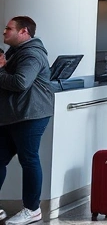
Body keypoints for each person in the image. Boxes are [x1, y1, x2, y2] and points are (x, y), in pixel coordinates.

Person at [0, 17, 53, 225]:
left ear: (24, 32)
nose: (4, 32)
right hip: (13, 116)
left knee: (29, 159)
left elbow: (21, 82)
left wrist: (0, 70)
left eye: (9, 28)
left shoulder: (32, 54)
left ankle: (32, 209)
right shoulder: (15, 52)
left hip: (30, 115)